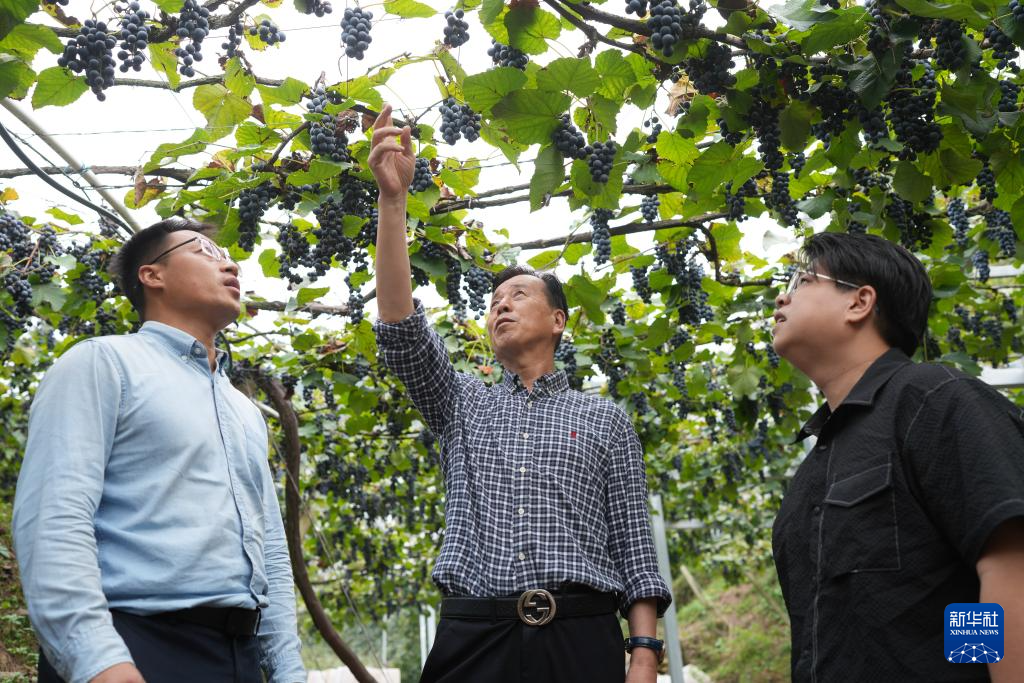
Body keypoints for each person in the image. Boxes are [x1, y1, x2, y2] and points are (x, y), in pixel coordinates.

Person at [367, 103, 671, 683]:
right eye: (493, 301)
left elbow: (635, 548)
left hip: (582, 636)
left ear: (558, 321)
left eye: (518, 294)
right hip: (477, 635)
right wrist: (393, 201)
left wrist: (643, 654)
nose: (500, 304)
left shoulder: (603, 418)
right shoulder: (462, 402)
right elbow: (402, 332)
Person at [13, 219, 305, 683]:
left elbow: (269, 549)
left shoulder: (244, 410)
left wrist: (289, 670)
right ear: (153, 275)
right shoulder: (102, 363)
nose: (229, 262)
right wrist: (98, 660)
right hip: (135, 646)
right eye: (205, 251)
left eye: (227, 254)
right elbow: (54, 515)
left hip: (239, 659)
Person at [770, 231, 1024, 682]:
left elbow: (1004, 566)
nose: (780, 297)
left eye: (803, 280)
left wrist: (974, 667)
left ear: (859, 302)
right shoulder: (815, 466)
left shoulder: (932, 400)